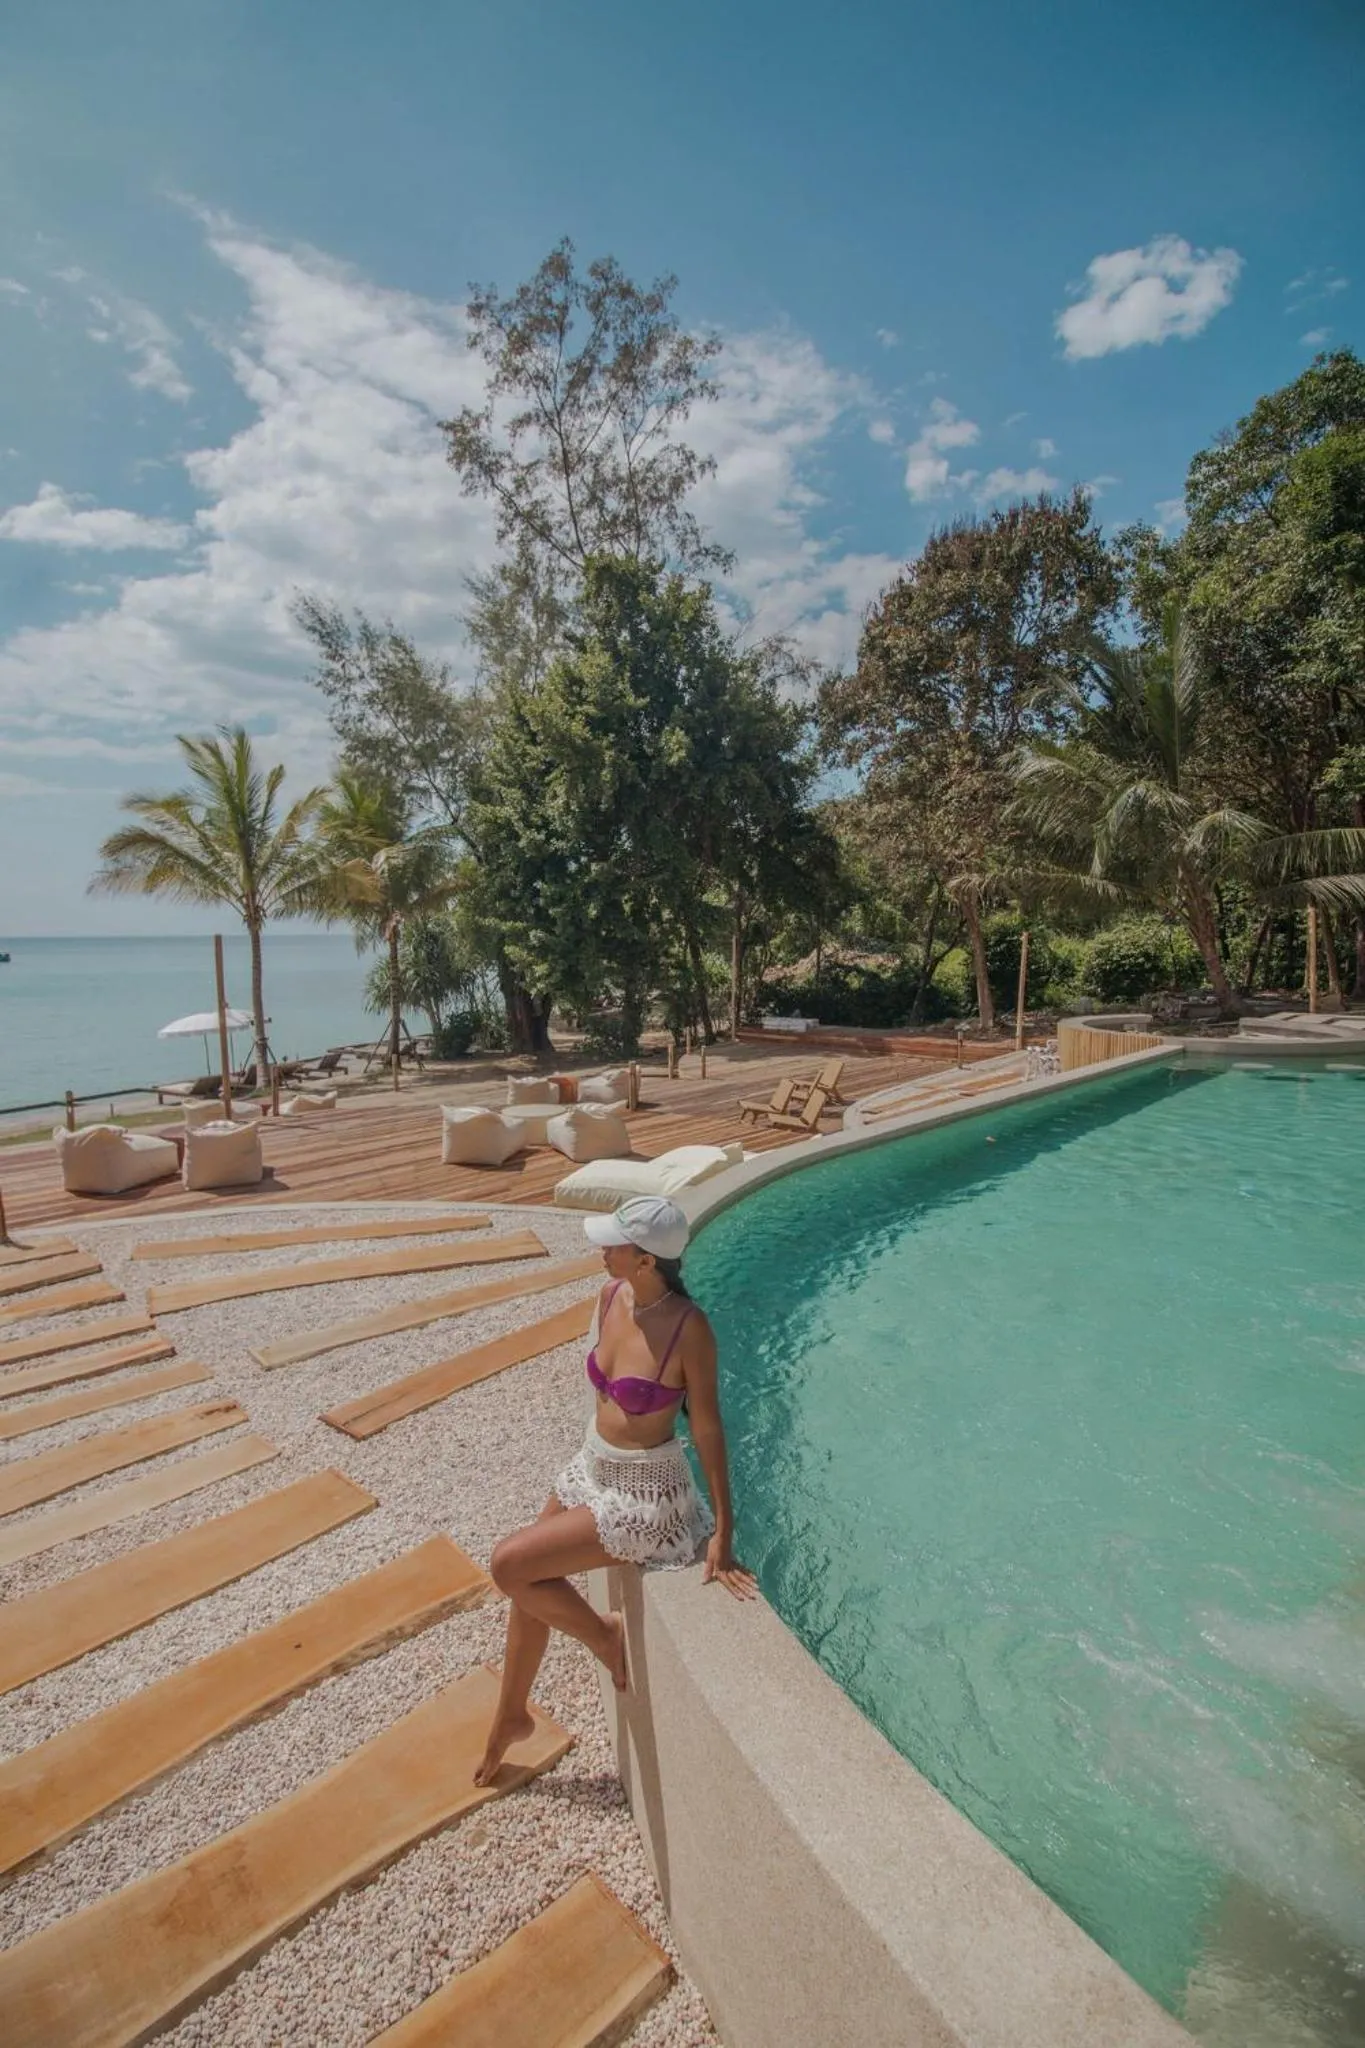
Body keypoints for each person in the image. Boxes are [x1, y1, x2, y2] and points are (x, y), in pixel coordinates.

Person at [474, 1194, 756, 1784]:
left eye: (614, 1245)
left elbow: (706, 1426)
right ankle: (511, 1715)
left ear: (648, 1260)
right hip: (591, 1468)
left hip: (644, 1497)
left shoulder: (689, 1329)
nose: (602, 1252)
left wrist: (723, 1529)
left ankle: (605, 1636)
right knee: (525, 1577)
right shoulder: (610, 1296)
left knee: (509, 1565)